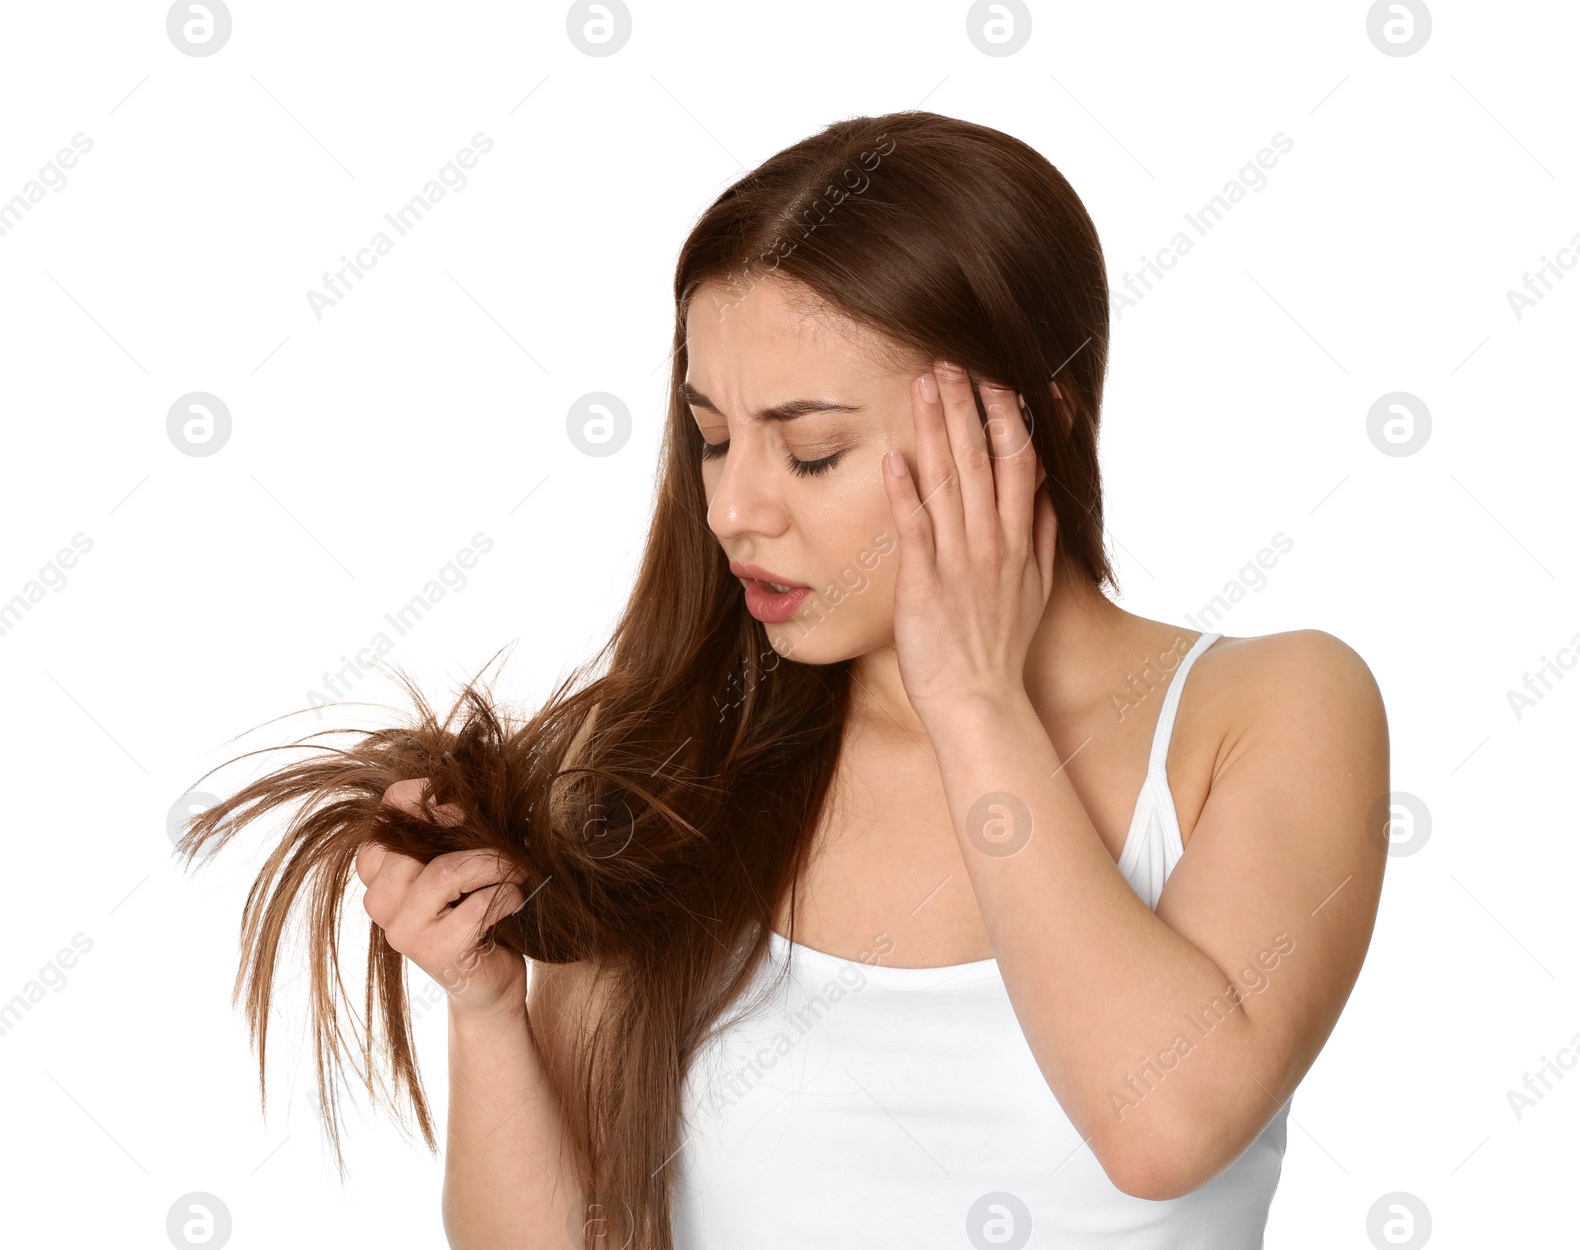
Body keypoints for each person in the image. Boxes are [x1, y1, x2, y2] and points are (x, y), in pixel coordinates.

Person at [175, 109, 1389, 1249]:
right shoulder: (663, 760)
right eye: (712, 436)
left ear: (1035, 426)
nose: (735, 507)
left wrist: (972, 699)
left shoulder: (1270, 710)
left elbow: (1161, 1127)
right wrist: (489, 1006)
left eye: (811, 451)